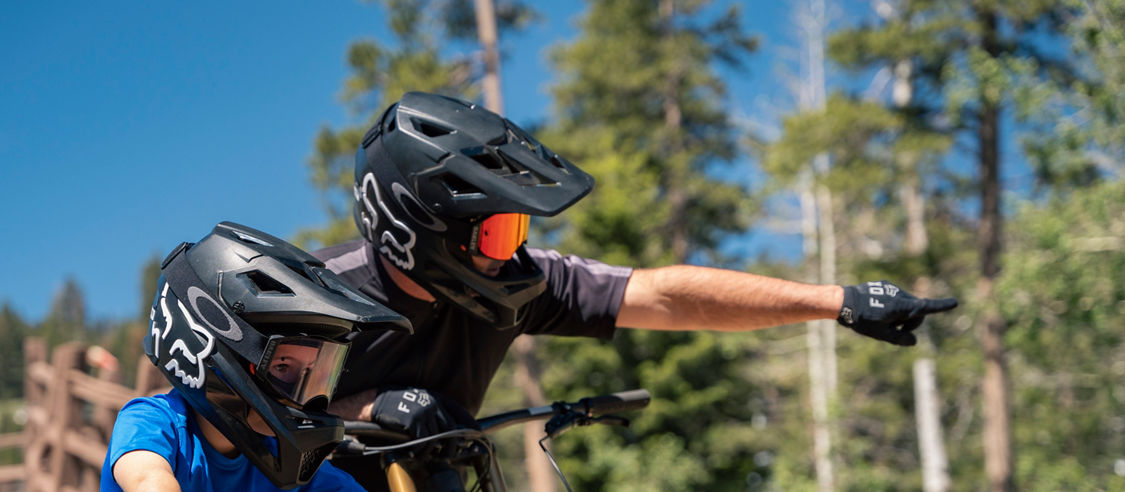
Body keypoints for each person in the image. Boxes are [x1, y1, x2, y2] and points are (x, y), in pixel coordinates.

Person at [313, 92, 959, 488]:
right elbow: (225, 413)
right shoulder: (317, 298)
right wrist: (367, 407)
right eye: (495, 232)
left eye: (516, 229)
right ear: (418, 227)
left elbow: (668, 295)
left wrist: (834, 301)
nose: (512, 252)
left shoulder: (515, 284)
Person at [101, 222, 412, 492]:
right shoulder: (153, 422)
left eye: (316, 374)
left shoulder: (280, 460)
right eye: (283, 366)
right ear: (216, 351)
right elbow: (147, 479)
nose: (302, 397)